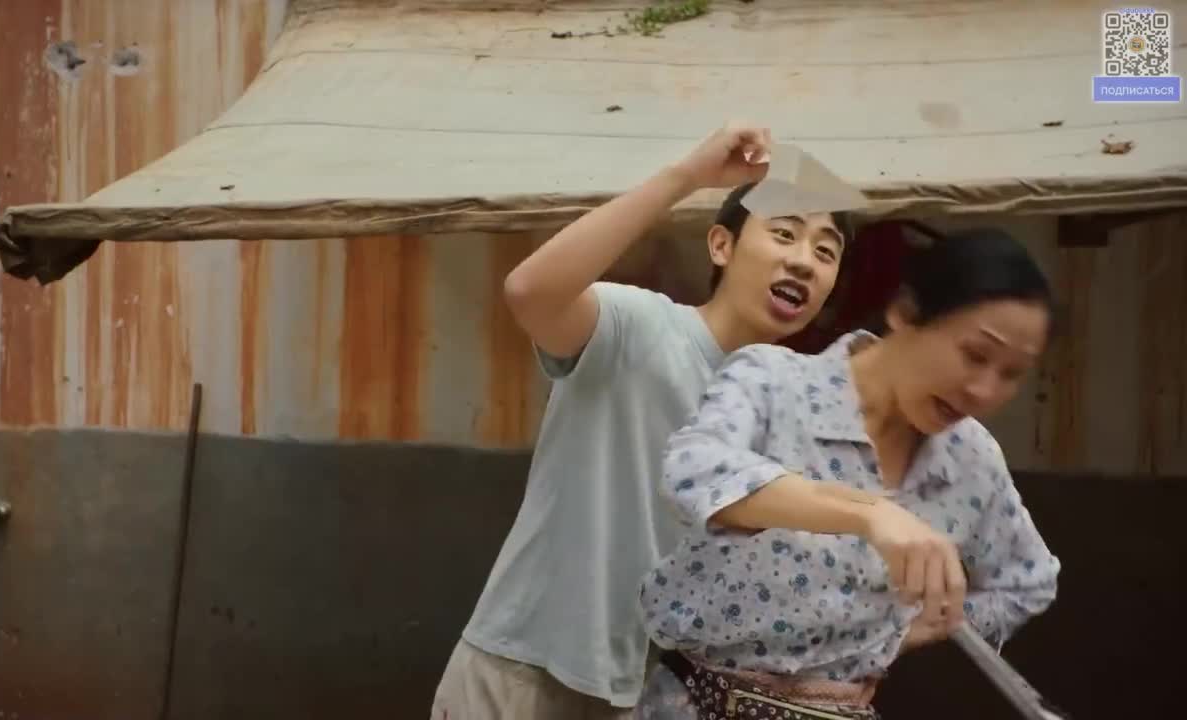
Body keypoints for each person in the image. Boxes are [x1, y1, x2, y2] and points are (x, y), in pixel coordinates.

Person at [430, 123, 856, 719]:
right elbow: (529, 291)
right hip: (518, 670)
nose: (803, 261)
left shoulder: (787, 416)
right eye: (784, 233)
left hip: (644, 696)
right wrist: (688, 176)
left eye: (825, 251)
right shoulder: (638, 325)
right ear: (721, 246)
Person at [635, 227, 1062, 720]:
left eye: (1011, 374)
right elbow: (692, 469)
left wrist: (899, 633)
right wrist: (869, 512)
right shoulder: (773, 381)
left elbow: (1027, 580)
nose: (984, 391)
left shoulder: (972, 459)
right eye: (975, 354)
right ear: (905, 312)